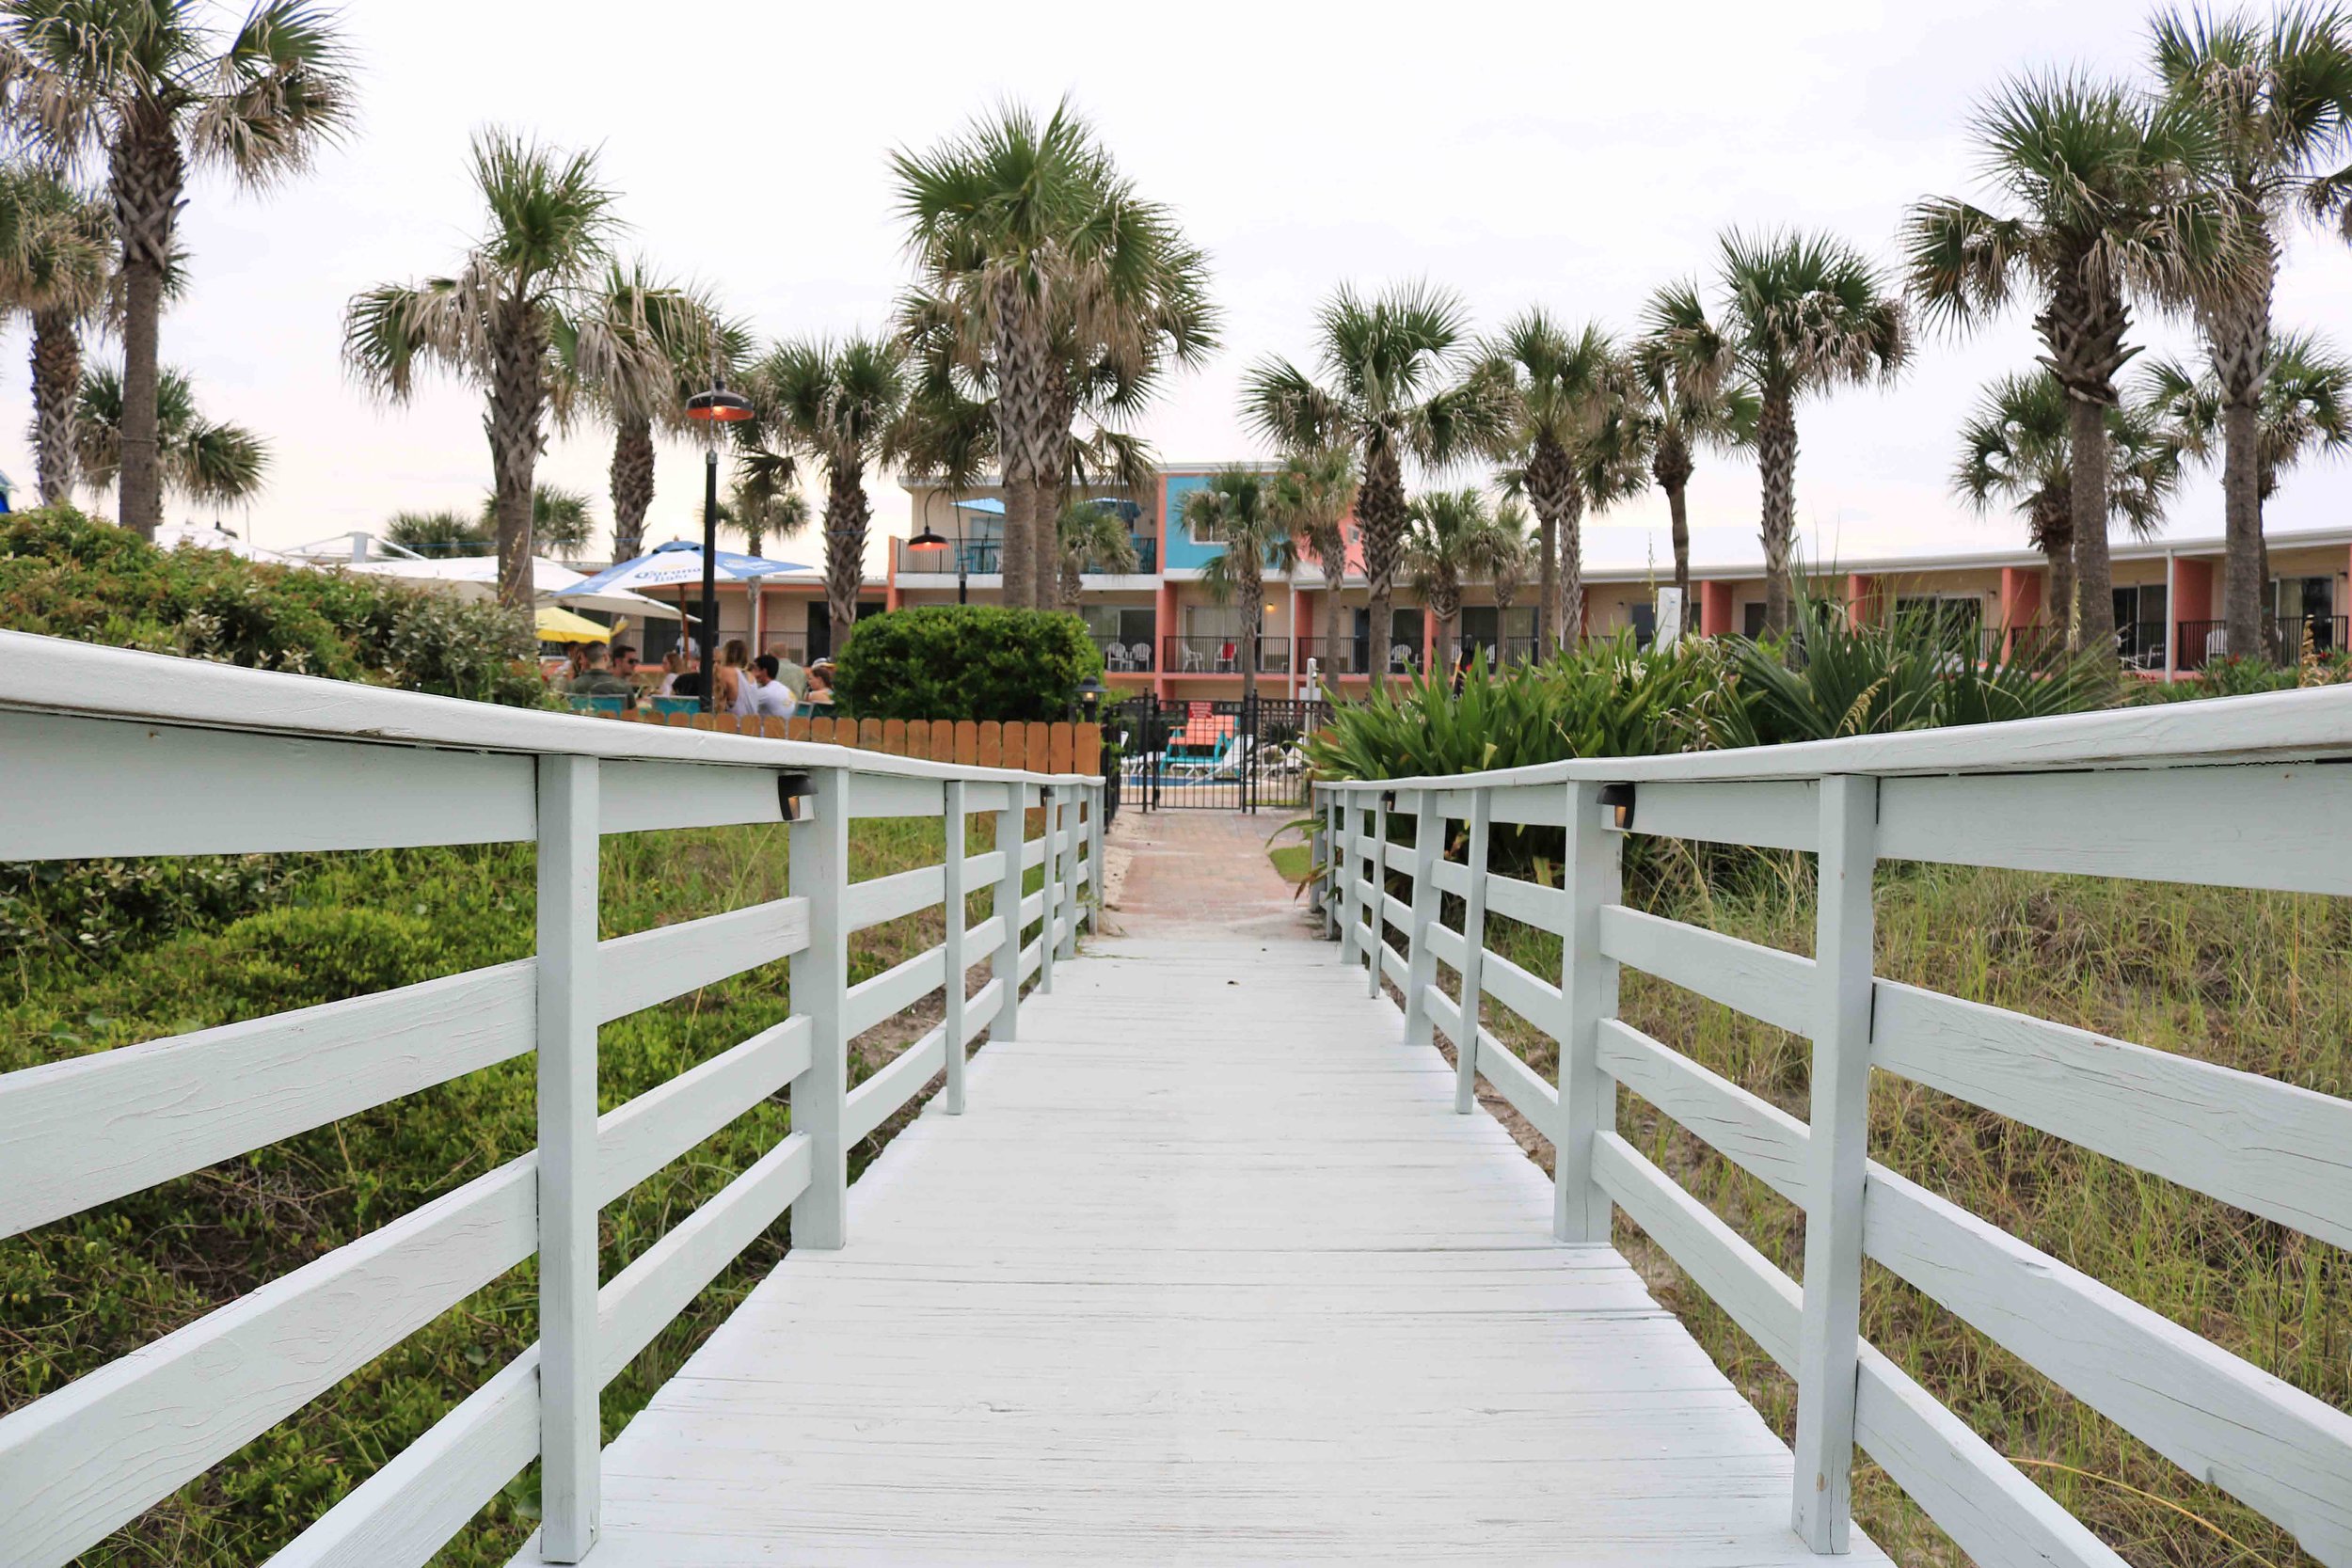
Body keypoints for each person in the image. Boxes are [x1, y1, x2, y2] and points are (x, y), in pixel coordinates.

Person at [564, 643, 635, 705]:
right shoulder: (623, 686)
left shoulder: (572, 686)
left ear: (587, 659)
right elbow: (631, 717)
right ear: (606, 657)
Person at [742, 654, 796, 720]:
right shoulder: (784, 689)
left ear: (764, 671)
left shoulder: (766, 692)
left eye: (755, 669)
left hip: (772, 728)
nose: (752, 671)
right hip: (787, 727)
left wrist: (747, 677)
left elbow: (742, 703)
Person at [716, 638, 750, 715]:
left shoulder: (726, 672)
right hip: (750, 723)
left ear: (726, 654)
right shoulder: (751, 676)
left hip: (731, 723)